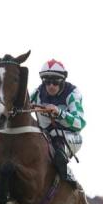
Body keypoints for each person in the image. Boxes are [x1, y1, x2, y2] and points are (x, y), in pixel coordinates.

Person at [30, 59, 86, 188]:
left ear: (63, 81)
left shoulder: (73, 93)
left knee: (58, 155)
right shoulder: (38, 91)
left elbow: (80, 123)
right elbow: (24, 103)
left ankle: (67, 183)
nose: (51, 86)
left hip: (70, 136)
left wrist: (59, 113)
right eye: (47, 81)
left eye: (55, 82)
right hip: (45, 134)